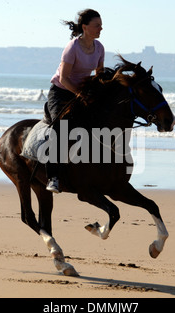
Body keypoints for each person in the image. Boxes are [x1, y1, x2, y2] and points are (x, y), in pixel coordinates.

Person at [44, 9, 105, 193]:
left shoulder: (99, 48)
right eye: (97, 26)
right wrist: (80, 94)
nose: (101, 29)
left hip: (82, 92)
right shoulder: (72, 47)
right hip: (61, 92)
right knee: (61, 127)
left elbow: (99, 75)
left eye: (101, 25)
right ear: (85, 27)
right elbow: (64, 79)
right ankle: (53, 177)